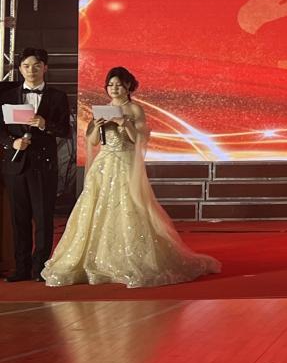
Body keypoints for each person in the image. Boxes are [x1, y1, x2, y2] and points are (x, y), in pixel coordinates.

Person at [41, 67, 220, 288]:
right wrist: (97, 127)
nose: (114, 88)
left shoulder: (135, 109)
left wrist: (124, 124)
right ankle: (94, 261)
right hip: (103, 165)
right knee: (95, 207)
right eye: (110, 85)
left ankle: (132, 259)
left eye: (118, 84)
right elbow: (93, 141)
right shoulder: (102, 110)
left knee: (129, 206)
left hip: (125, 163)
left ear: (128, 87)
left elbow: (140, 140)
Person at [3, 47, 71, 282]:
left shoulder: (58, 96)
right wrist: (11, 143)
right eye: (26, 66)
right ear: (20, 69)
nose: (31, 70)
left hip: (44, 165)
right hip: (16, 164)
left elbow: (65, 130)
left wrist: (44, 124)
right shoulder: (7, 96)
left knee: (43, 218)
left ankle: (40, 267)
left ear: (45, 68)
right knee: (19, 219)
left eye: (36, 66)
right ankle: (21, 268)